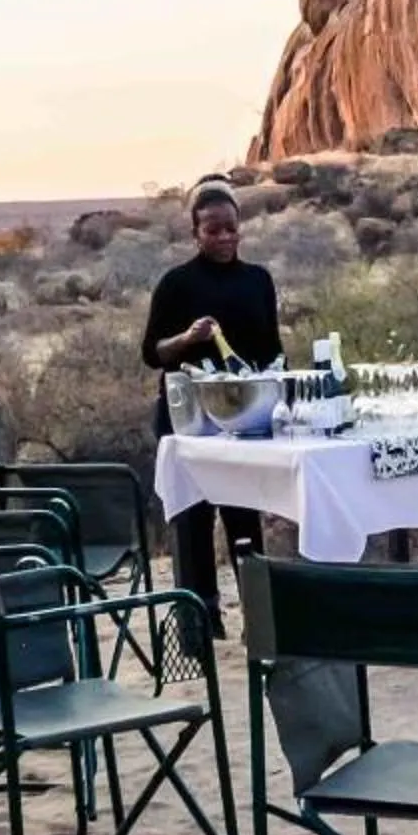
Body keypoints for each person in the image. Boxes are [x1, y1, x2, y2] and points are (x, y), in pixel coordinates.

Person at [145, 176, 281, 623]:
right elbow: (152, 353)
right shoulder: (177, 284)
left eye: (230, 228)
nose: (224, 238)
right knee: (193, 521)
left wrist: (274, 380)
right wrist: (187, 338)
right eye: (212, 230)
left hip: (242, 416)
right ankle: (199, 621)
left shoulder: (258, 280)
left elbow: (272, 347)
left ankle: (259, 617)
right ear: (195, 233)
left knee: (243, 515)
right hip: (188, 420)